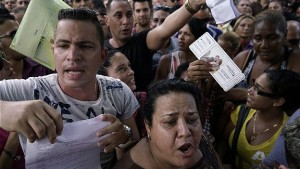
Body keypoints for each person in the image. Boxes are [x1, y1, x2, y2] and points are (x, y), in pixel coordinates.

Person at [0, 8, 140, 169]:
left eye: (85, 46)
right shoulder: (30, 91)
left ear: (102, 55)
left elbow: (135, 151)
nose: (73, 55)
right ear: (53, 51)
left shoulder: (118, 91)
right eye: (63, 45)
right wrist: (6, 110)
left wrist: (124, 135)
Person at [113, 78, 223, 169]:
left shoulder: (204, 142)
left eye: (192, 120)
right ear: (148, 127)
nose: (185, 132)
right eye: (170, 122)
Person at [104, 0, 207, 91]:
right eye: (118, 15)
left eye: (129, 15)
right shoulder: (101, 51)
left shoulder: (142, 40)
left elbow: (165, 28)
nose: (125, 21)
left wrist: (191, 5)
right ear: (106, 20)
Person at [224, 69, 300, 169]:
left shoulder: (288, 134)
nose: (249, 91)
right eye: (253, 85)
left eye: (257, 89)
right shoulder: (242, 112)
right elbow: (223, 142)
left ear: (277, 101)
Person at [225, 10, 300, 105]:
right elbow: (220, 93)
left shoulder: (295, 60)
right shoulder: (243, 58)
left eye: (272, 38)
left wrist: (246, 94)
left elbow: (295, 101)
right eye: (258, 38)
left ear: (284, 36)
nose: (264, 45)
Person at [98, 50, 147, 138]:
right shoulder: (98, 114)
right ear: (105, 79)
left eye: (129, 66)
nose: (131, 72)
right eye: (121, 69)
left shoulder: (144, 100)